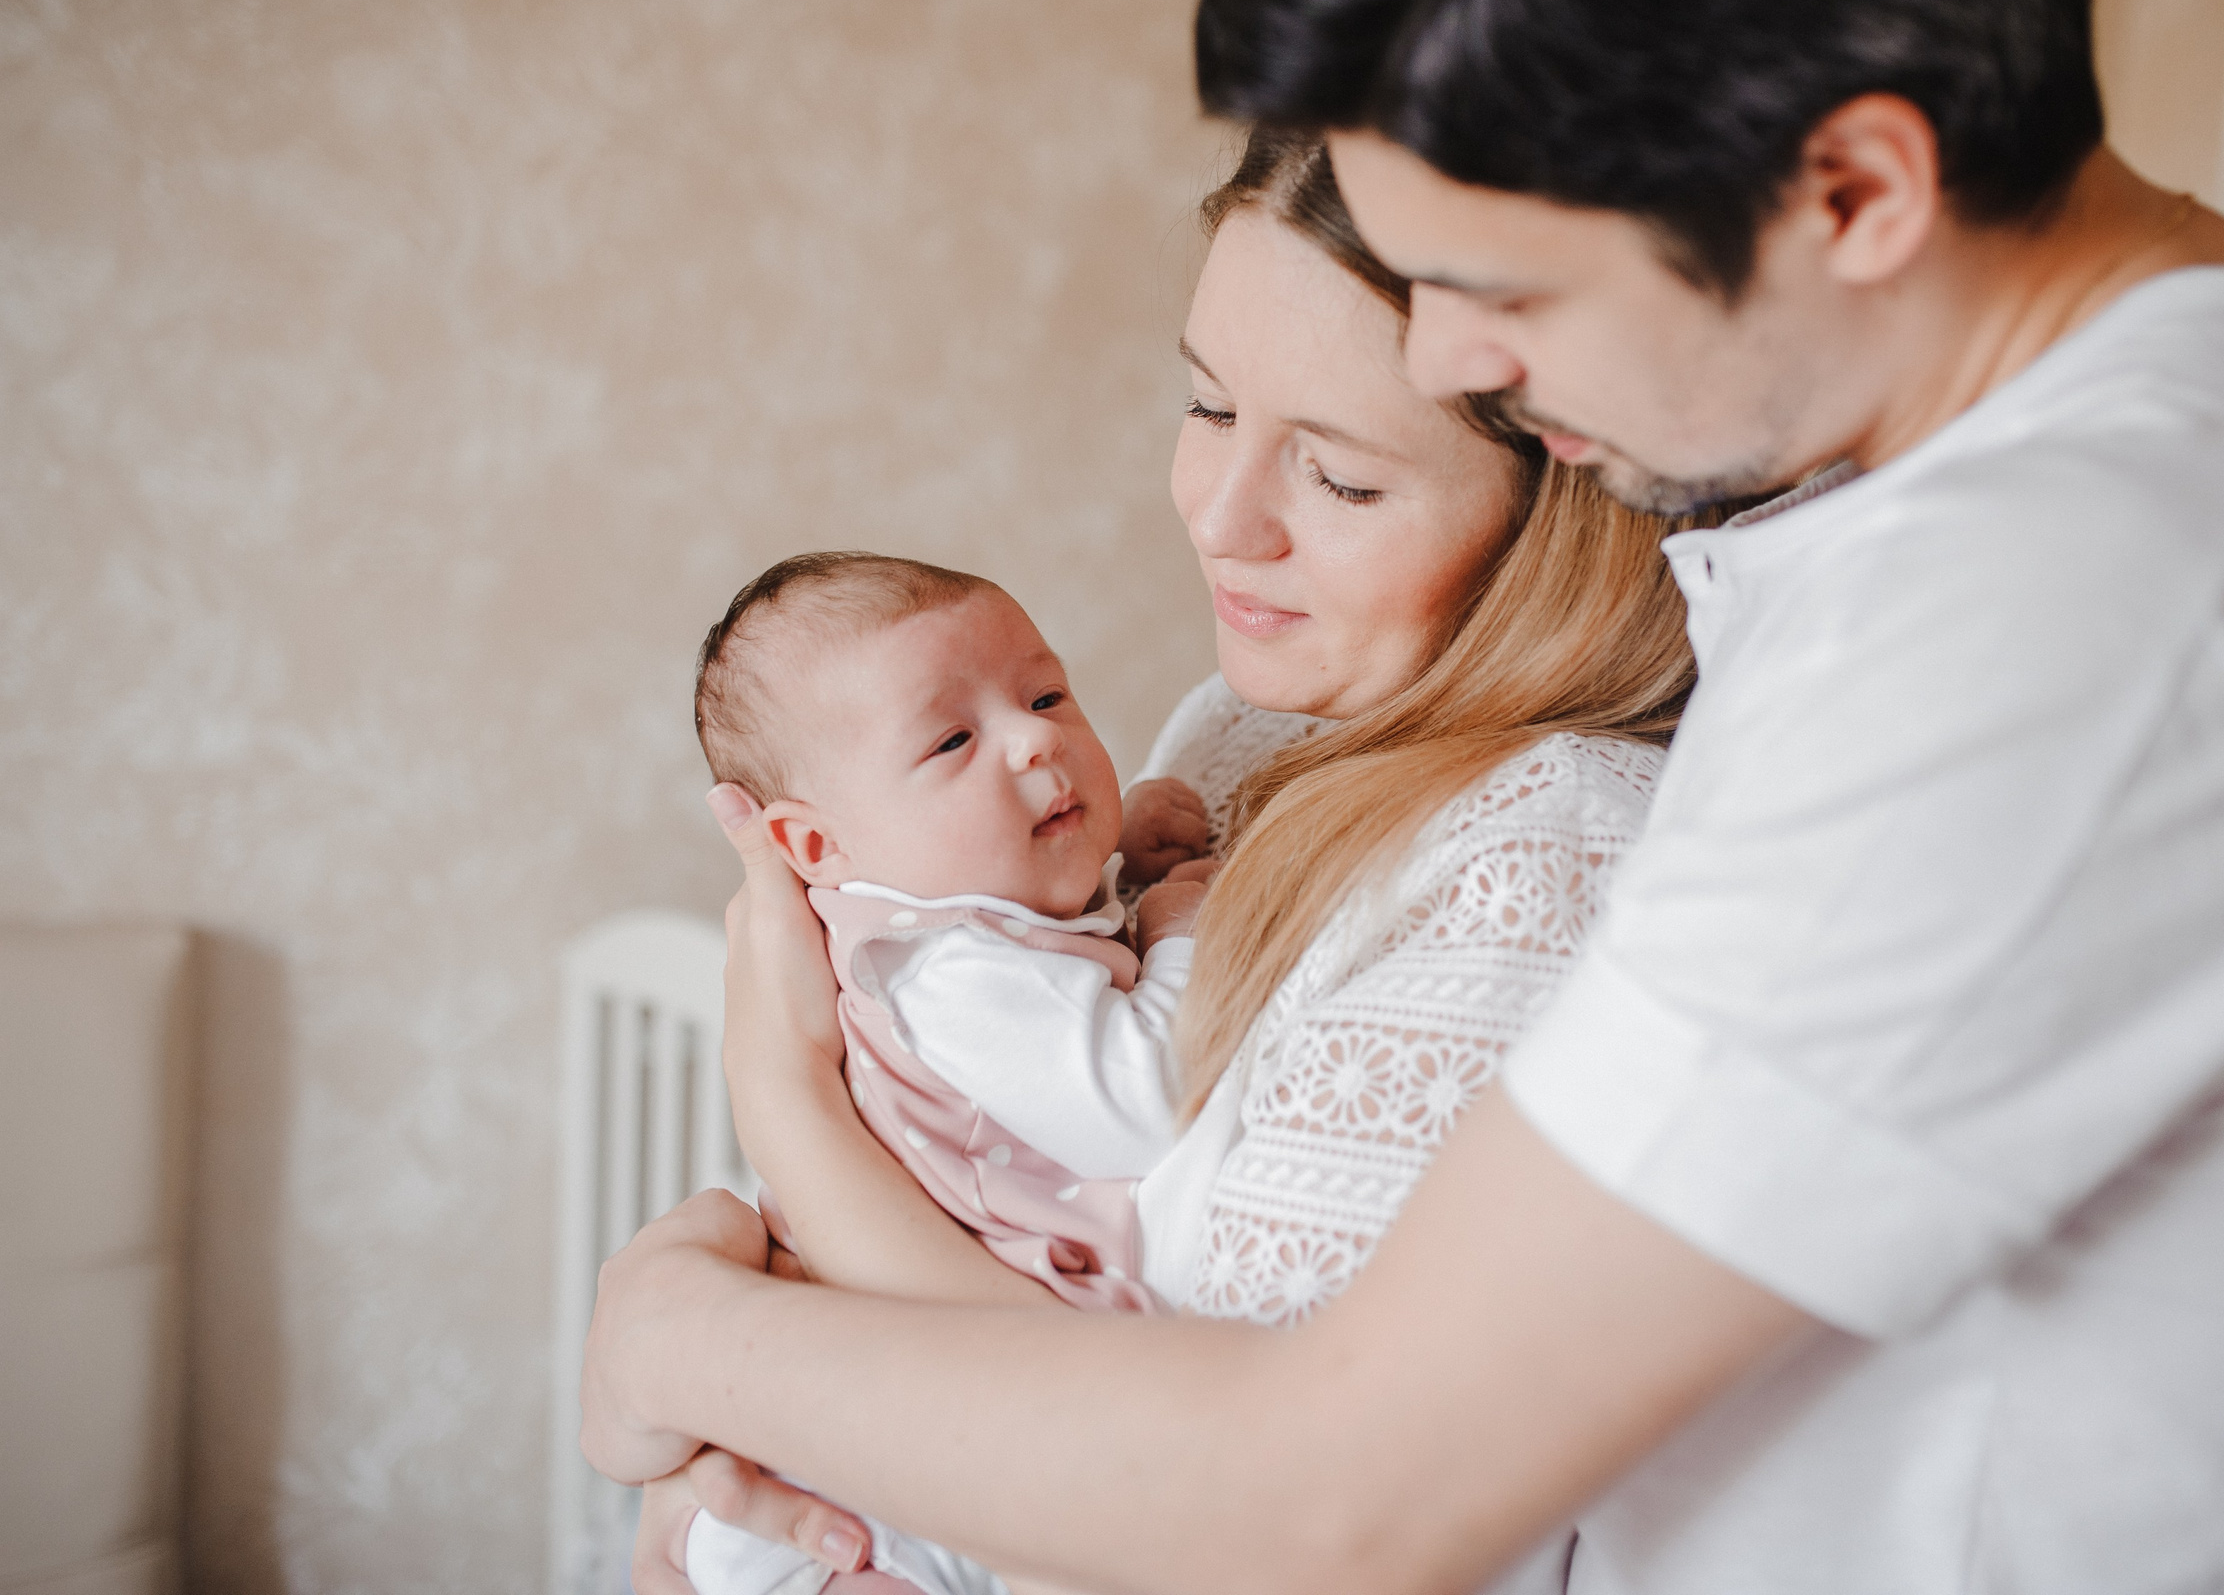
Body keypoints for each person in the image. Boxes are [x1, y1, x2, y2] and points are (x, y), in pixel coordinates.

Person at [585, 0, 2224, 1589]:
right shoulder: (1970, 494)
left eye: (1497, 291)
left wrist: (684, 1330)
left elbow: (1329, 1511)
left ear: (1849, 189)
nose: (1451, 367)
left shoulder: (2061, 633)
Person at [608, 122, 1700, 1593]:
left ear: (1557, 510)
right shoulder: (1242, 729)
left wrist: (712, 1294)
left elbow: (1246, 1526)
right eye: (1205, 402)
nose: (1216, 514)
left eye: (1340, 480)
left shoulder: (1544, 856)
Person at [679, 551, 1214, 1595]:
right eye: (951, 739)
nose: (1034, 738)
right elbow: (1143, 1100)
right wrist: (1184, 912)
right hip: (871, 1448)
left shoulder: (977, 920)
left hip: (929, 1408)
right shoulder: (941, 966)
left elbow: (1070, 946)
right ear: (816, 844)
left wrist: (1124, 859)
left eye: (1045, 693)